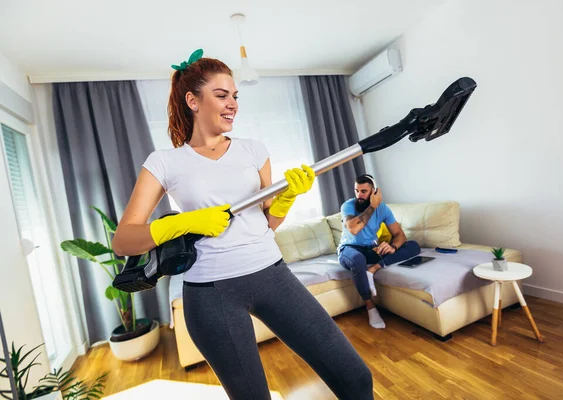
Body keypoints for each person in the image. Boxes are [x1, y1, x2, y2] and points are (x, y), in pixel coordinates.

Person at [112, 49, 373, 400]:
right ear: (193, 100)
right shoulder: (164, 162)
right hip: (210, 293)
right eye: (221, 95)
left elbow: (269, 223)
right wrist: (184, 222)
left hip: (273, 276)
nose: (232, 103)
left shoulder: (253, 150)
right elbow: (124, 241)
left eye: (235, 96)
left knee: (355, 378)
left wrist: (285, 197)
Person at [337, 174, 421, 329]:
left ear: (374, 192)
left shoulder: (383, 209)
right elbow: (354, 228)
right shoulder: (348, 206)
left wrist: (393, 247)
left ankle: (373, 269)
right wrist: (372, 206)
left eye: (363, 191)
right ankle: (371, 307)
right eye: (356, 191)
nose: (359, 195)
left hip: (371, 248)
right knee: (357, 260)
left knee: (413, 246)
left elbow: (399, 234)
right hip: (349, 249)